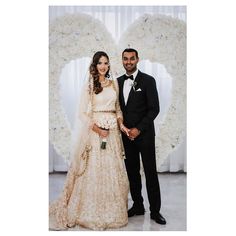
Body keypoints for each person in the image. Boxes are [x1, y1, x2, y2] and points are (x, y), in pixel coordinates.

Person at [49, 51, 130, 230]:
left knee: (112, 170)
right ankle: (89, 210)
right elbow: (82, 114)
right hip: (96, 133)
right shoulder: (90, 85)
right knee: (93, 170)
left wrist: (121, 125)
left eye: (106, 63)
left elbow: (117, 109)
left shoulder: (114, 83)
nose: (103, 66)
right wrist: (98, 129)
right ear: (95, 65)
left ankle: (112, 210)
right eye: (100, 63)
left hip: (113, 134)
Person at [117, 48, 166, 225]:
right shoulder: (118, 82)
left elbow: (154, 109)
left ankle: (155, 211)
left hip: (144, 136)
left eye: (132, 59)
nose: (128, 62)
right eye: (125, 59)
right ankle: (138, 205)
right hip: (126, 137)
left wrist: (138, 128)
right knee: (132, 172)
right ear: (122, 60)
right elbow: (119, 109)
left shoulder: (148, 81)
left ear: (138, 59)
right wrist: (124, 129)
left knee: (150, 172)